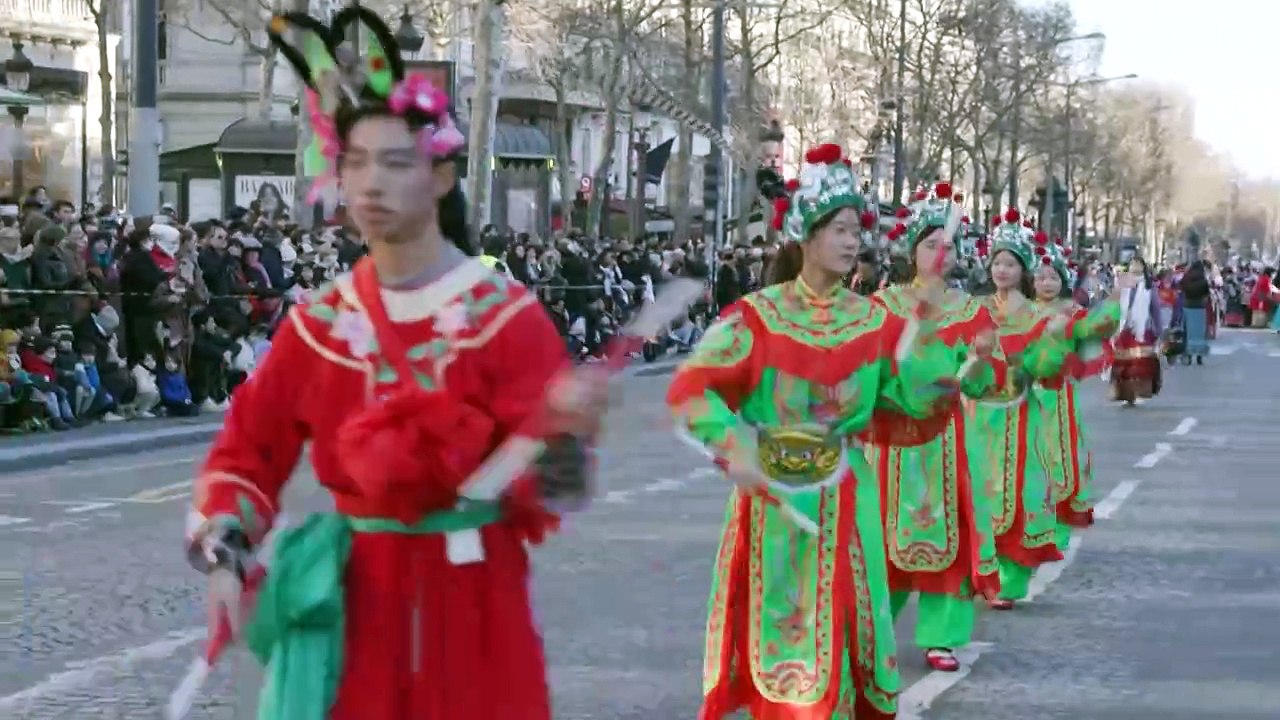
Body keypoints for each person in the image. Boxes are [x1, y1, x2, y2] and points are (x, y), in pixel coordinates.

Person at [182, 8, 607, 719]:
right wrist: (228, 551)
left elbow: (553, 491)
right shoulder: (319, 326)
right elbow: (248, 451)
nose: (371, 183)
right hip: (353, 612)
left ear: (441, 177)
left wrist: (570, 434)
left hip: (473, 610)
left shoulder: (503, 318)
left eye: (395, 162)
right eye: (356, 163)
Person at [667, 143, 976, 719]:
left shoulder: (875, 321)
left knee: (841, 624)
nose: (852, 239)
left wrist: (926, 326)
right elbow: (690, 387)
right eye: (838, 228)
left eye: (857, 229)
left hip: (846, 496)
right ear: (806, 236)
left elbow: (921, 399)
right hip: (773, 501)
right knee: (780, 630)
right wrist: (736, 447)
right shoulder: (756, 315)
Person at [864, 183, 1000, 673]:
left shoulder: (971, 312)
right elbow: (867, 373)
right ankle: (873, 627)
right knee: (883, 537)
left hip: (948, 439)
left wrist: (981, 363)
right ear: (910, 251)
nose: (939, 254)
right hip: (893, 444)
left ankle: (942, 635)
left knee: (951, 535)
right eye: (929, 244)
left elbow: (987, 384)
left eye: (947, 246)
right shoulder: (883, 307)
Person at [969, 210, 1121, 609]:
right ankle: (981, 571)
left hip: (1022, 413)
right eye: (997, 262)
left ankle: (1011, 578)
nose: (1002, 270)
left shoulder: (1039, 316)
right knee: (977, 491)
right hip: (979, 416)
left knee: (1023, 490)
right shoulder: (975, 310)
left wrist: (1063, 337)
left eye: (1011, 263)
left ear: (1023, 270)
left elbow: (1057, 355)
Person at [1029, 238, 1107, 552]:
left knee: (1060, 458)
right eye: (1040, 277)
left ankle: (1059, 522)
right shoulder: (1020, 311)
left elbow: (1092, 342)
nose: (1046, 283)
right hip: (1025, 394)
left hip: (1060, 395)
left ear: (1064, 280)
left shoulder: (1074, 312)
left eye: (1053, 277)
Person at [1112, 256, 1163, 400]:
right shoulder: (1122, 283)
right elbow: (1114, 304)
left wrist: (1159, 330)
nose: (1135, 267)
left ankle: (1140, 391)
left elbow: (1156, 310)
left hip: (1142, 329)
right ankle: (1124, 393)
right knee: (1123, 363)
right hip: (1124, 327)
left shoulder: (1149, 286)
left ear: (1143, 267)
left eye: (1138, 264)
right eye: (1132, 264)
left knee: (1141, 362)